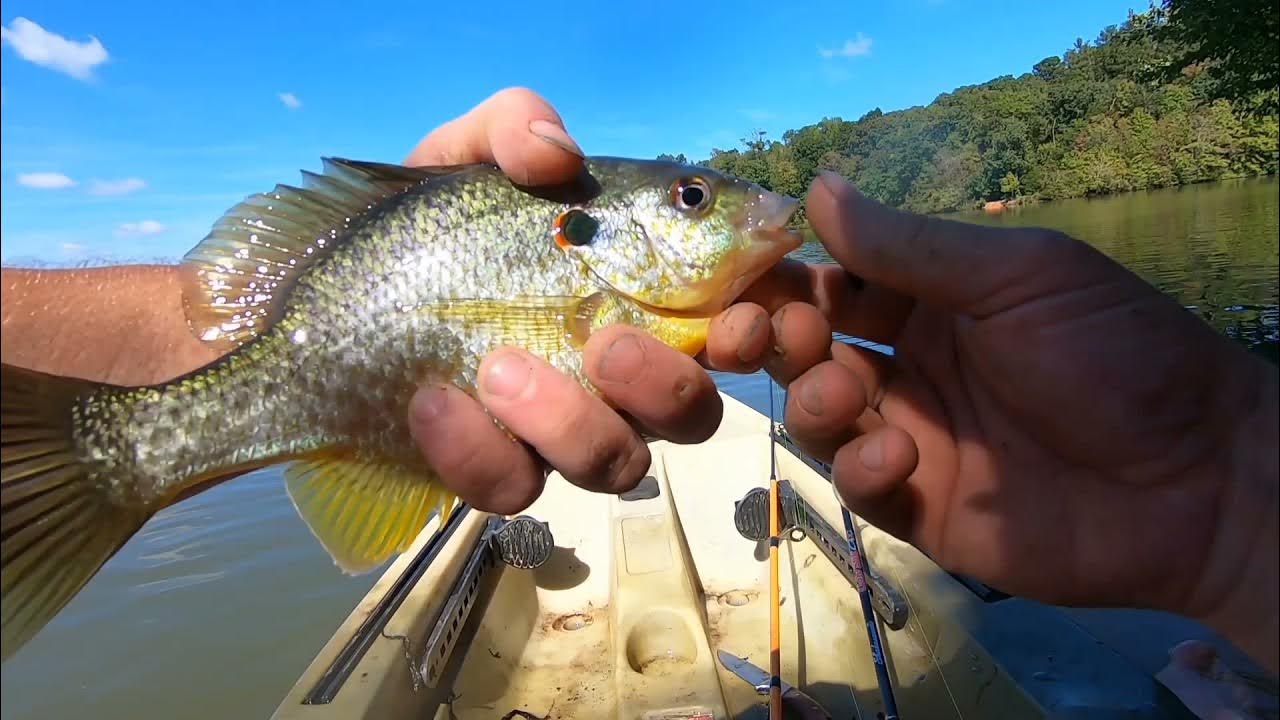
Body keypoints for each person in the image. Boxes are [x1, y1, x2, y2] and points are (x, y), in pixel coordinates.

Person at [3, 87, 1276, 703]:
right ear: (586, 237)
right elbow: (252, 313)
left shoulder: (665, 296)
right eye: (688, 202)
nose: (735, 212)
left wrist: (1222, 512)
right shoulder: (561, 240)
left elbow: (233, 311)